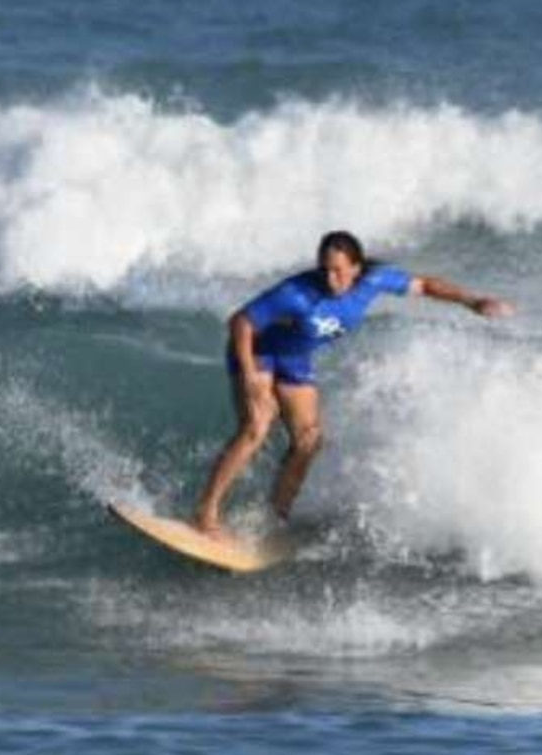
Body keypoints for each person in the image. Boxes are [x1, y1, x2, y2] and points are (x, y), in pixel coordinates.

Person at [193, 230, 513, 538]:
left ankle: (275, 516)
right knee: (257, 426)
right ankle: (206, 513)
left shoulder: (374, 280)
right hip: (259, 350)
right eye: (324, 270)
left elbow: (425, 285)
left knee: (309, 440)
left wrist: (471, 301)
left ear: (356, 269)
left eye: (338, 271)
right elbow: (241, 322)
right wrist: (249, 374)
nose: (330, 279)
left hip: (294, 356)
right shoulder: (296, 293)